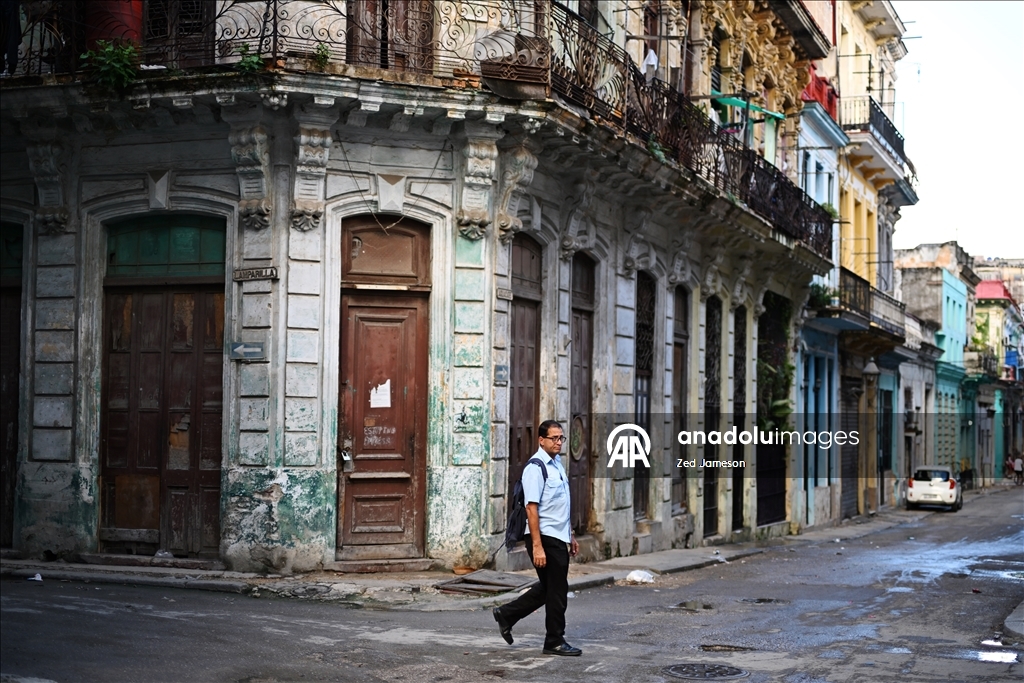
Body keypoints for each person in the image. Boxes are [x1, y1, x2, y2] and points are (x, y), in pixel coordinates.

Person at [493, 420, 581, 656]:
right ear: (541, 440)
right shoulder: (535, 467)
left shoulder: (557, 464)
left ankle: (506, 614)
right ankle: (554, 640)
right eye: (554, 438)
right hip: (544, 537)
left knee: (550, 587)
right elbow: (531, 508)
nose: (559, 442)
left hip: (558, 536)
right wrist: (538, 547)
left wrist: (570, 534)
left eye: (561, 438)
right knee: (557, 591)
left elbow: (561, 505)